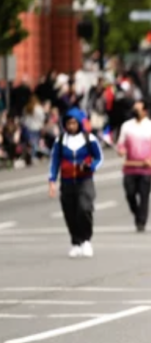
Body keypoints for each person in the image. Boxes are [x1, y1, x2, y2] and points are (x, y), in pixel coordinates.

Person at [48, 108, 103, 258]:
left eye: (74, 123)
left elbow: (99, 158)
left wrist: (90, 166)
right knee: (70, 213)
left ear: (79, 123)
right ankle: (76, 242)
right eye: (68, 123)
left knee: (84, 209)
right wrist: (52, 180)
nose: (71, 126)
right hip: (67, 182)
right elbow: (54, 161)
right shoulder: (60, 141)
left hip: (85, 180)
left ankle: (86, 240)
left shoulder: (89, 139)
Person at [117, 100, 151, 232]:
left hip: (146, 168)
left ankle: (141, 221)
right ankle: (137, 213)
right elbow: (121, 143)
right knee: (130, 193)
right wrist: (121, 150)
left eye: (137, 109)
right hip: (130, 167)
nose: (135, 111)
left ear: (144, 111)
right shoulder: (126, 126)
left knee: (144, 195)